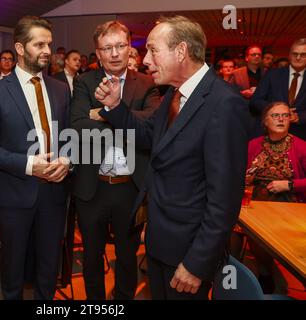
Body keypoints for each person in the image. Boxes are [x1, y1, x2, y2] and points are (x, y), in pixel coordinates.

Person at [95, 16, 250, 300]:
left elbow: (224, 200)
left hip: (188, 254)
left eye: (153, 50)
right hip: (159, 243)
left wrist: (196, 264)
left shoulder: (224, 104)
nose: (144, 60)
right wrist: (115, 106)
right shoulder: (175, 95)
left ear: (180, 52)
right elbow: (147, 136)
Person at [0, 16, 71, 300]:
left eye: (49, 44)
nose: (47, 50)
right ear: (19, 48)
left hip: (55, 194)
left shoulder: (59, 88)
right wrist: (31, 165)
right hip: (15, 194)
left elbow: (69, 136)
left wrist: (66, 161)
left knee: (48, 267)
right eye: (39, 44)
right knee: (13, 269)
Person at [70, 20, 160, 300]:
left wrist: (103, 113)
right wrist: (125, 121)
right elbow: (77, 127)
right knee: (93, 256)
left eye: (120, 45)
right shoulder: (84, 81)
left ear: (130, 47)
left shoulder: (147, 83)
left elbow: (151, 127)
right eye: (107, 48)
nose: (115, 53)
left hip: (130, 187)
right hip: (91, 186)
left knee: (126, 255)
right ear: (97, 53)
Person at [245, 101, 306, 293]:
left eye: (285, 115)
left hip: (288, 204)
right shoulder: (253, 144)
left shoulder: (302, 147)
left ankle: (271, 275)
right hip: (253, 203)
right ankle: (255, 278)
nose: (281, 119)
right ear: (265, 121)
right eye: (275, 115)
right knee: (231, 235)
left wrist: (289, 184)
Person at [251, 38, 306, 141]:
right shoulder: (272, 74)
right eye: (295, 54)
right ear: (289, 55)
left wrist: (300, 117)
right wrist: (276, 110)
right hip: (269, 135)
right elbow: (255, 101)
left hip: (301, 136)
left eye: (303, 55)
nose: (298, 57)